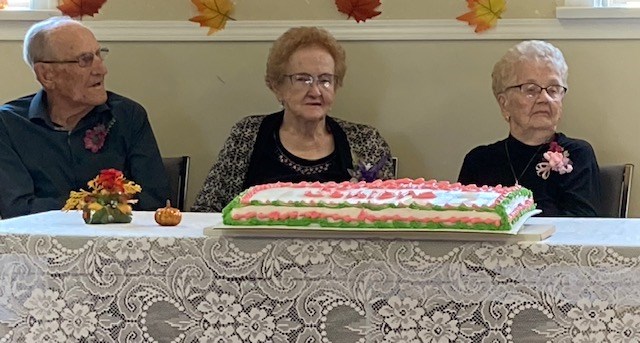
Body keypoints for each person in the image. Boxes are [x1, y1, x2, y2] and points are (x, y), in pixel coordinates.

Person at [192, 26, 393, 212]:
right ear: (277, 86)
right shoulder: (247, 134)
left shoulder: (365, 141)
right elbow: (206, 209)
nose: (315, 91)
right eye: (302, 79)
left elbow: (389, 214)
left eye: (325, 80)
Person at [0, 16, 170, 218]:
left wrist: (81, 208)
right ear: (47, 75)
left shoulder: (128, 116)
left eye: (99, 55)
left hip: (121, 245)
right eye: (85, 60)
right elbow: (17, 209)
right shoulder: (9, 125)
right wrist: (102, 207)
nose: (101, 70)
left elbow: (153, 200)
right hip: (39, 247)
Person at [457, 40, 601, 217]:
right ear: (504, 104)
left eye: (553, 89)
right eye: (531, 89)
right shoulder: (479, 161)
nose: (544, 98)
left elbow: (583, 226)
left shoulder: (578, 154)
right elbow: (465, 225)